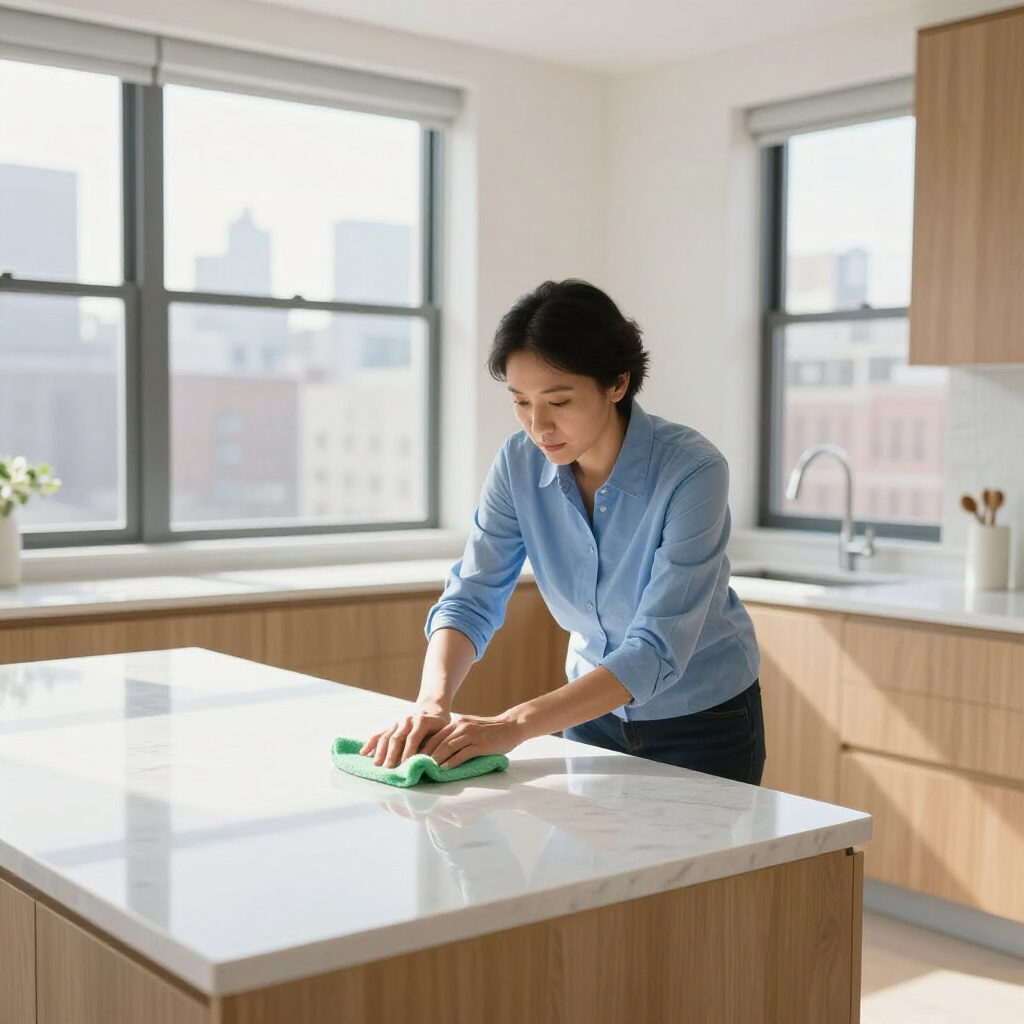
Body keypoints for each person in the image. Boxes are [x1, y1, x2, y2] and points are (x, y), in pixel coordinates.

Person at [361, 280, 765, 784]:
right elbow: (471, 597)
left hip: (705, 720)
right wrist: (431, 702)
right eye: (521, 402)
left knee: (706, 865)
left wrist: (514, 725)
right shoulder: (517, 464)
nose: (539, 426)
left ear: (617, 383)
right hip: (588, 714)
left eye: (558, 401)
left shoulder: (692, 470)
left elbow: (656, 649)